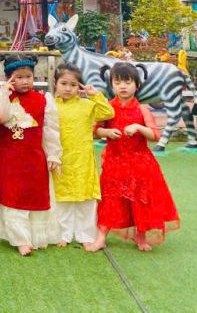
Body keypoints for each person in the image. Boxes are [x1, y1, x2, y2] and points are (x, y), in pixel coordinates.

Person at [92, 62, 180, 251]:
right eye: (117, 83)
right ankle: (101, 236)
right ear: (112, 85)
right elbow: (95, 131)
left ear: (137, 85)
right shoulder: (108, 108)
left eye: (127, 82)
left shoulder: (142, 109)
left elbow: (155, 135)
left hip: (140, 163)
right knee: (110, 198)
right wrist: (107, 133)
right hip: (115, 161)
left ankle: (140, 235)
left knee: (140, 200)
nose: (122, 86)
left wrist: (139, 128)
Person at [0, 56, 62, 256]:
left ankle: (37, 236)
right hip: (9, 159)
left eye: (28, 77)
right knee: (12, 195)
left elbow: (51, 130)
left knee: (34, 195)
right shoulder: (2, 97)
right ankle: (20, 239)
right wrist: (4, 93)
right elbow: (0, 117)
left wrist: (54, 155)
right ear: (9, 78)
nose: (24, 81)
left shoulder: (44, 100)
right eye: (19, 77)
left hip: (34, 158)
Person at [53, 63, 115, 251]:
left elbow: (108, 112)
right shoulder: (51, 106)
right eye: (63, 83)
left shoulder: (87, 105)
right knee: (61, 198)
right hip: (60, 158)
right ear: (55, 84)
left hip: (82, 159)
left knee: (85, 199)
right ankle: (62, 234)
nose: (68, 88)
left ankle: (85, 235)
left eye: (73, 84)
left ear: (79, 86)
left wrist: (95, 95)